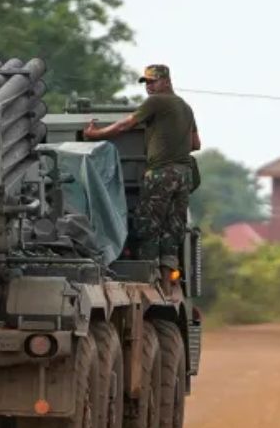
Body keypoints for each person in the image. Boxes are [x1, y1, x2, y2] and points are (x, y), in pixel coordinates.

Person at [83, 64, 200, 275]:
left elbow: (125, 125)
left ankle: (149, 276)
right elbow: (196, 143)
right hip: (183, 175)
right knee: (172, 228)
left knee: (148, 225)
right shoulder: (185, 107)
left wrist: (95, 134)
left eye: (153, 81)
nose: (148, 86)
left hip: (161, 173)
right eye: (146, 82)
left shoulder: (156, 101)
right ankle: (166, 279)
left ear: (166, 81)